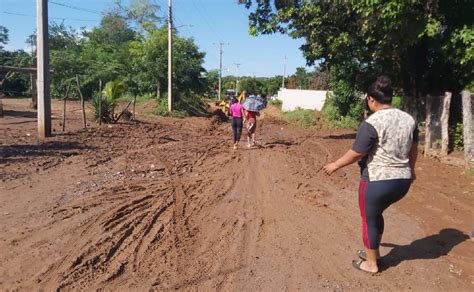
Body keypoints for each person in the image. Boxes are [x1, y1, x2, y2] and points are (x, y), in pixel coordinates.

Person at [323, 75, 418, 274]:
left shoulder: (372, 122)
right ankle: (372, 253)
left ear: (371, 100)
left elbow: (357, 152)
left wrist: (335, 165)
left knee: (369, 220)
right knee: (376, 215)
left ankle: (371, 264)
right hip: (402, 182)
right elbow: (413, 148)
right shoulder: (409, 119)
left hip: (377, 181)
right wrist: (412, 169)